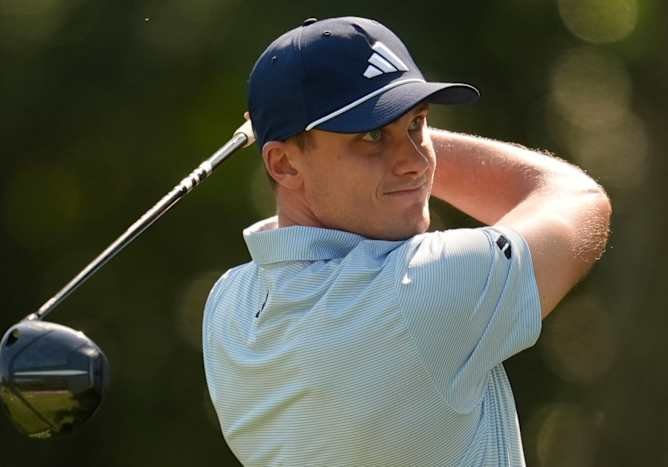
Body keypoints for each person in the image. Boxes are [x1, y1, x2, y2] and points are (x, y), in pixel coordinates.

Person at [202, 16, 611, 467]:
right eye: (372, 135)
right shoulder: (421, 290)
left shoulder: (227, 308)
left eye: (418, 124)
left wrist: (312, 135)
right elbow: (578, 198)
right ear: (283, 164)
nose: (416, 161)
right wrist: (409, 131)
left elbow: (298, 221)